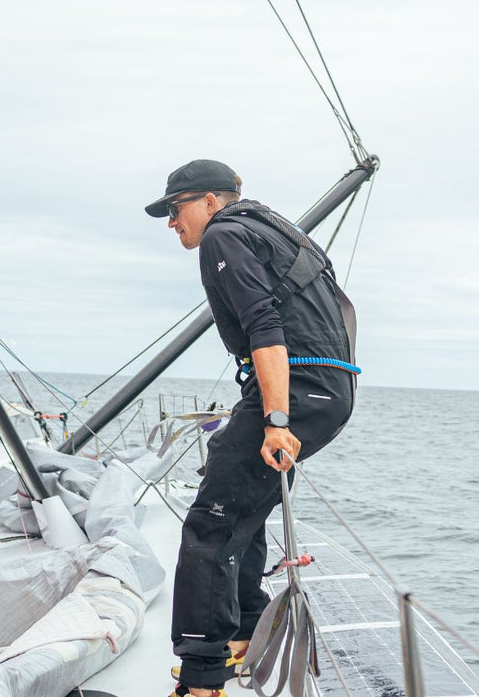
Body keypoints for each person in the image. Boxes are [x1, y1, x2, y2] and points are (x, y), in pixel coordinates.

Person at [145, 159, 360, 696]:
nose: (172, 221)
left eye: (176, 208)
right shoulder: (275, 230)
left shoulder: (225, 234)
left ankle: (201, 676)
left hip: (296, 389)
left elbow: (265, 326)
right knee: (240, 501)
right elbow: (338, 310)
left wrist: (276, 419)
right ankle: (243, 630)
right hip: (326, 387)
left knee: (209, 523)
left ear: (211, 202)